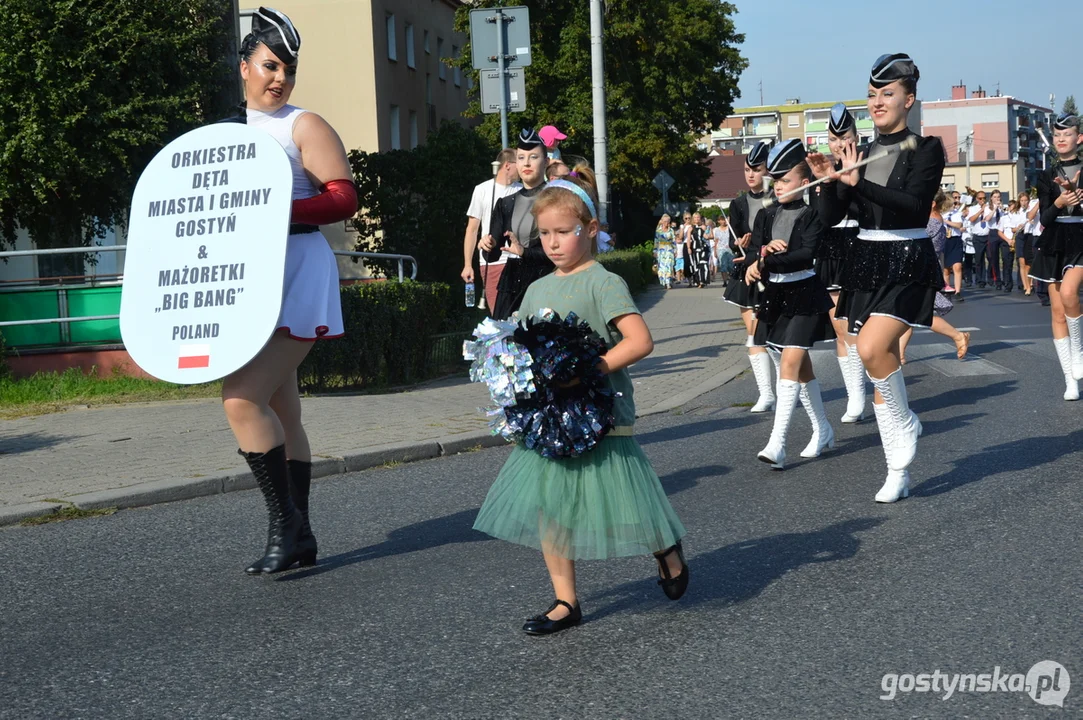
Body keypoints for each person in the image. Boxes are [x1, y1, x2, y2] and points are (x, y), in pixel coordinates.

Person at [473, 171, 688, 636]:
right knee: (551, 506)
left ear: (589, 230)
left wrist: (590, 370)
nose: (552, 243)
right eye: (544, 233)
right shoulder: (536, 288)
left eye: (563, 232)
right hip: (549, 416)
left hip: (598, 409)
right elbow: (521, 347)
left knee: (626, 499)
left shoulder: (603, 282)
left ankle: (666, 548)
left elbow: (639, 340)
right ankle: (566, 601)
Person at [225, 8, 359, 574]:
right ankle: (299, 535)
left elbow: (342, 198)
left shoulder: (303, 125)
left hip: (298, 266)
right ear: (245, 67)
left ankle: (287, 528)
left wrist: (275, 209)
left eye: (288, 69)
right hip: (250, 276)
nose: (279, 78)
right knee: (284, 406)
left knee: (242, 398)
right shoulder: (227, 131)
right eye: (269, 65)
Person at [807, 53, 944, 504]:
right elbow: (830, 218)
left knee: (869, 347)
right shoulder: (859, 153)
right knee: (873, 357)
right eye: (872, 94)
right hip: (866, 260)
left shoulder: (926, 149)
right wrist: (830, 181)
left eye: (887, 93)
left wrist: (854, 181)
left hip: (907, 256)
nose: (878, 101)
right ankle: (897, 469)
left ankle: (904, 425)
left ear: (909, 99)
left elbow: (912, 205)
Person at [745, 140, 836, 470]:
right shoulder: (767, 215)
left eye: (785, 180)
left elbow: (805, 254)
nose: (778, 186)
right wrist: (758, 259)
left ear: (803, 181)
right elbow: (756, 253)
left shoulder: (811, 215)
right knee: (801, 369)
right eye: (776, 181)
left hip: (804, 294)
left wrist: (770, 256)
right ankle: (823, 428)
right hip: (774, 297)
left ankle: (777, 443)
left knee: (789, 365)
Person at [816, 104, 867, 423]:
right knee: (840, 329)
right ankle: (855, 396)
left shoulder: (868, 162)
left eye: (845, 136)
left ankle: (878, 387)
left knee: (865, 327)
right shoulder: (820, 170)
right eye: (834, 139)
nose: (839, 144)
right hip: (832, 250)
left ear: (855, 136)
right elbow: (820, 216)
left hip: (862, 246)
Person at [1031, 112, 1083, 401]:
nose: (1061, 139)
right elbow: (1045, 218)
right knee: (1057, 312)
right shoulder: (1046, 175)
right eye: (1057, 135)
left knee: (1070, 293)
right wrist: (1062, 200)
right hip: (1054, 240)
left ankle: (1079, 351)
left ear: (1079, 138)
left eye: (1067, 134)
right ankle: (1069, 380)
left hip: (1081, 238)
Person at [723, 142, 775, 412]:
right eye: (747, 169)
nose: (751, 174)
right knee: (753, 333)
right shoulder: (738, 203)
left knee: (776, 332)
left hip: (775, 268)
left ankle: (792, 383)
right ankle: (766, 393)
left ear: (768, 169)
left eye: (756, 169)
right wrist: (739, 244)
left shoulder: (778, 197)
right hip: (747, 273)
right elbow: (734, 242)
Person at [480, 129, 551, 319]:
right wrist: (488, 245)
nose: (526, 163)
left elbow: (561, 253)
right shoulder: (505, 203)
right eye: (521, 157)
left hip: (547, 283)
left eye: (533, 156)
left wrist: (524, 252)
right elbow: (491, 256)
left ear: (546, 162)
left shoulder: (556, 198)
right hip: (511, 287)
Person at [897, 192, 971, 364]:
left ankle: (958, 336)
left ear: (931, 204)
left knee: (919, 314)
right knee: (907, 314)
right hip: (920, 270)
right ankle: (899, 354)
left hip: (920, 271)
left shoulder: (930, 222)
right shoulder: (933, 220)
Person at [463, 149, 521, 312]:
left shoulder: (523, 191)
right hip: (494, 261)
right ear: (508, 165)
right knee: (499, 314)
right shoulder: (482, 190)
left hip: (520, 259)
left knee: (520, 315)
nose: (524, 166)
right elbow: (472, 230)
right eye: (520, 162)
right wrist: (468, 265)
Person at [995, 199, 1023, 293]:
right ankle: (1008, 284)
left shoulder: (1020, 217)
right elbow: (999, 232)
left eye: (1015, 206)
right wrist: (1008, 240)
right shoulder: (1004, 218)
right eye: (1011, 206)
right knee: (1007, 264)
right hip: (1007, 242)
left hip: (1017, 241)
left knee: (1020, 263)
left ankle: (1021, 284)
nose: (1013, 208)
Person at [943, 190, 966, 300]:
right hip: (945, 241)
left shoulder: (956, 214)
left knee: (957, 267)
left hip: (955, 240)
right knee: (946, 269)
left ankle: (958, 292)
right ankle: (947, 289)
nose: (954, 205)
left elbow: (958, 225)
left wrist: (946, 222)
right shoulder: (941, 214)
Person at [967, 190, 992, 288]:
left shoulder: (989, 208)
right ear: (977, 199)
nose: (982, 200)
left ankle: (990, 278)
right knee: (979, 260)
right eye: (980, 198)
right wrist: (981, 211)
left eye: (984, 198)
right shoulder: (973, 208)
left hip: (988, 236)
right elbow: (972, 219)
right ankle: (980, 280)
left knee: (991, 258)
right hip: (977, 237)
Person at [1018, 191, 1038, 295]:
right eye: (1022, 200)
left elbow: (1033, 218)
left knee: (1032, 263)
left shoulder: (1032, 208)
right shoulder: (1019, 211)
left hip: (1032, 235)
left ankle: (1032, 284)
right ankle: (1028, 286)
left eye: (1026, 200)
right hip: (1024, 236)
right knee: (1026, 263)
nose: (1024, 202)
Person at [688, 212, 712, 288]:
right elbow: (688, 239)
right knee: (697, 265)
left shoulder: (703, 227)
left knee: (703, 263)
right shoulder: (691, 228)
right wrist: (689, 248)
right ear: (693, 219)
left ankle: (703, 281)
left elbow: (707, 237)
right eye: (695, 217)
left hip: (703, 248)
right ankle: (698, 281)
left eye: (698, 217)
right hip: (695, 248)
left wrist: (709, 231)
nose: (697, 219)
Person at [654, 214, 676, 289]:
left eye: (668, 221)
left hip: (669, 250)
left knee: (669, 266)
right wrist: (655, 251)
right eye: (665, 221)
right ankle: (664, 282)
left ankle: (668, 282)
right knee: (662, 267)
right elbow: (656, 241)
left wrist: (675, 250)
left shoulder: (671, 230)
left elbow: (674, 241)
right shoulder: (658, 231)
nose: (666, 223)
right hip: (661, 250)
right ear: (662, 221)